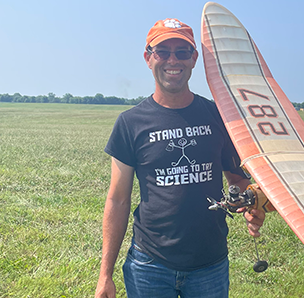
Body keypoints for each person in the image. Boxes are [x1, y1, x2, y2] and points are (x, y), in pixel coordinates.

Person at [95, 18, 266, 298]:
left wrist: (252, 204)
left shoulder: (218, 116)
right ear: (148, 58)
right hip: (148, 265)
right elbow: (118, 199)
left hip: (209, 265)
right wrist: (105, 275)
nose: (172, 60)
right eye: (162, 51)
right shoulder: (130, 123)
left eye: (182, 52)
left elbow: (237, 178)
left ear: (194, 59)